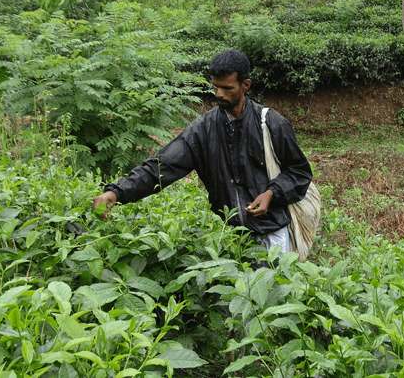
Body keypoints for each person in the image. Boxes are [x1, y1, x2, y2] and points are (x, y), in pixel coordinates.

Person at [92, 50, 314, 257]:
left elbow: (299, 172)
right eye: (215, 87)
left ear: (245, 85)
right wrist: (116, 193)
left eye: (227, 88)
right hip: (231, 236)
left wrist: (271, 193)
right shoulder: (203, 130)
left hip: (273, 232)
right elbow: (161, 167)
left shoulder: (272, 124)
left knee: (273, 294)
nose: (219, 94)